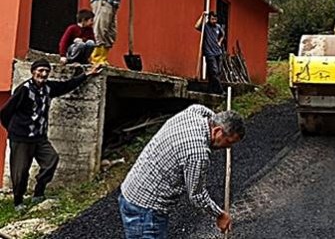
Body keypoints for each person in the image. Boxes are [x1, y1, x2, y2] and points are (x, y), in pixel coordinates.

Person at [119, 104, 246, 238]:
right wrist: (220, 215)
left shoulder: (194, 112)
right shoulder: (198, 153)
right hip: (146, 210)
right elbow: (197, 196)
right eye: (229, 142)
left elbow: (205, 111)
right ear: (217, 131)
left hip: (131, 191)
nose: (228, 147)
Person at [0, 59, 103, 211]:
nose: (43, 74)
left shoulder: (49, 88)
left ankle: (38, 192)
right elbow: (5, 112)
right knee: (20, 171)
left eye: (46, 71)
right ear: (33, 71)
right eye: (40, 70)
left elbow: (67, 85)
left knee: (51, 160)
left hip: (39, 138)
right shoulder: (24, 90)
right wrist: (13, 130)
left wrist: (88, 74)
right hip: (21, 138)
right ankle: (18, 202)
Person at [195, 12, 226, 94]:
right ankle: (220, 90)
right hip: (209, 53)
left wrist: (219, 42)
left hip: (217, 52)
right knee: (214, 71)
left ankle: (210, 90)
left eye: (215, 19)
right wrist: (202, 16)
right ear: (209, 19)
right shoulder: (206, 27)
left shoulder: (218, 27)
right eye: (212, 19)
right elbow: (196, 26)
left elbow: (223, 35)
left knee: (215, 72)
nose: (214, 21)